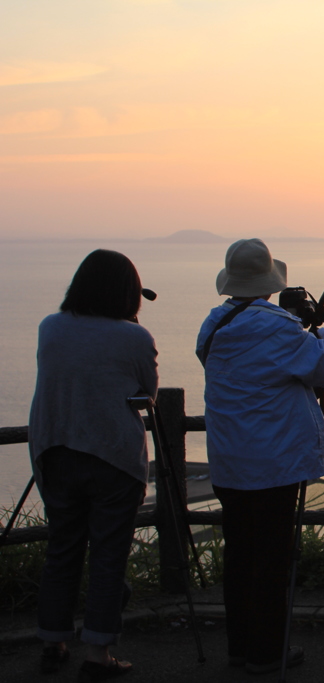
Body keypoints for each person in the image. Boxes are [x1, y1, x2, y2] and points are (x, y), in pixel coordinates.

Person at [196, 238, 324, 675]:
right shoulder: (278, 328)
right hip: (274, 462)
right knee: (272, 558)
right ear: (268, 281)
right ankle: (268, 652)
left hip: (229, 459)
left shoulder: (214, 323)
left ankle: (240, 647)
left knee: (240, 555)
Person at [28, 249, 158, 681]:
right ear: (127, 293)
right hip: (113, 458)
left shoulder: (51, 327)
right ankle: (98, 655)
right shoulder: (134, 338)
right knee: (108, 557)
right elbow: (147, 391)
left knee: (61, 550)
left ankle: (53, 642)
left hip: (56, 449)